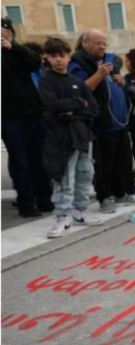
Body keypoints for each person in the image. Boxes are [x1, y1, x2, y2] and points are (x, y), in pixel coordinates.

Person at [69, 29, 135, 214]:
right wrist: (99, 74)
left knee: (123, 159)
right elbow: (81, 89)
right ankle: (105, 196)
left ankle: (121, 191)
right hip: (101, 122)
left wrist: (121, 82)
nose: (102, 46)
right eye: (97, 43)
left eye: (104, 43)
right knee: (104, 162)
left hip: (119, 121)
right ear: (85, 44)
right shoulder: (77, 63)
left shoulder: (108, 60)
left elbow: (115, 64)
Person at [39, 37, 101, 238]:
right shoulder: (46, 82)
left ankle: (79, 211)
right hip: (61, 138)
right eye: (54, 56)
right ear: (47, 58)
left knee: (85, 174)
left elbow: (93, 109)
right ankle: (63, 215)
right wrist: (78, 104)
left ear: (68, 57)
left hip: (82, 135)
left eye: (62, 56)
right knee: (65, 178)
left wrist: (74, 110)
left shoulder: (77, 82)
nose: (59, 60)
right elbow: (52, 106)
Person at [1, 17, 53, 218]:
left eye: (6, 34)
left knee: (39, 159)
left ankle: (44, 198)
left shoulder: (18, 52)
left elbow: (35, 62)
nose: (3, 37)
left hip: (33, 114)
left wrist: (12, 47)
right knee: (20, 161)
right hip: (9, 117)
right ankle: (26, 202)